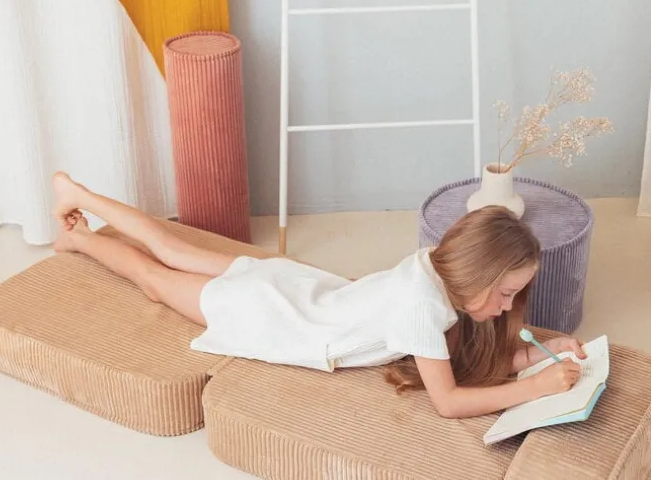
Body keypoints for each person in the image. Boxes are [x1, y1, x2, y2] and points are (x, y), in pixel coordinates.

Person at [51, 171, 585, 420]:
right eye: (505, 294)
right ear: (477, 275)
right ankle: (80, 239)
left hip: (296, 288)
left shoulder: (433, 264)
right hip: (271, 314)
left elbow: (470, 354)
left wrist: (541, 353)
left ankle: (78, 194)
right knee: (154, 279)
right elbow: (448, 402)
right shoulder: (424, 310)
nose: (505, 308)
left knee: (173, 249)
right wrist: (535, 388)